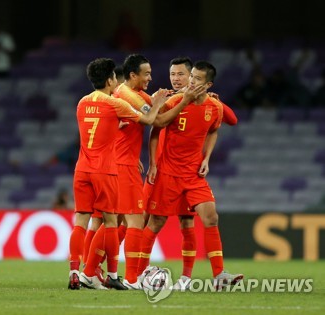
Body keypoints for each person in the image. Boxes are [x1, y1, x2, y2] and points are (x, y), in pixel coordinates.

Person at [140, 61, 243, 290]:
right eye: (191, 77)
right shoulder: (175, 101)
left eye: (195, 78)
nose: (190, 81)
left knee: (209, 218)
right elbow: (155, 127)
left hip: (194, 175)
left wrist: (206, 158)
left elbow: (215, 129)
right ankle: (138, 274)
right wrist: (154, 163)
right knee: (155, 222)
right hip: (167, 173)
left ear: (208, 84)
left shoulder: (214, 107)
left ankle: (217, 275)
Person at [68, 57, 168, 290]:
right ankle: (117, 275)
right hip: (106, 169)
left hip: (82, 168)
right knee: (119, 221)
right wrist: (157, 102)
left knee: (84, 222)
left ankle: (78, 270)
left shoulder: (82, 103)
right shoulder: (116, 103)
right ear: (110, 79)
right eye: (115, 76)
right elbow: (151, 120)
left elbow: (96, 129)